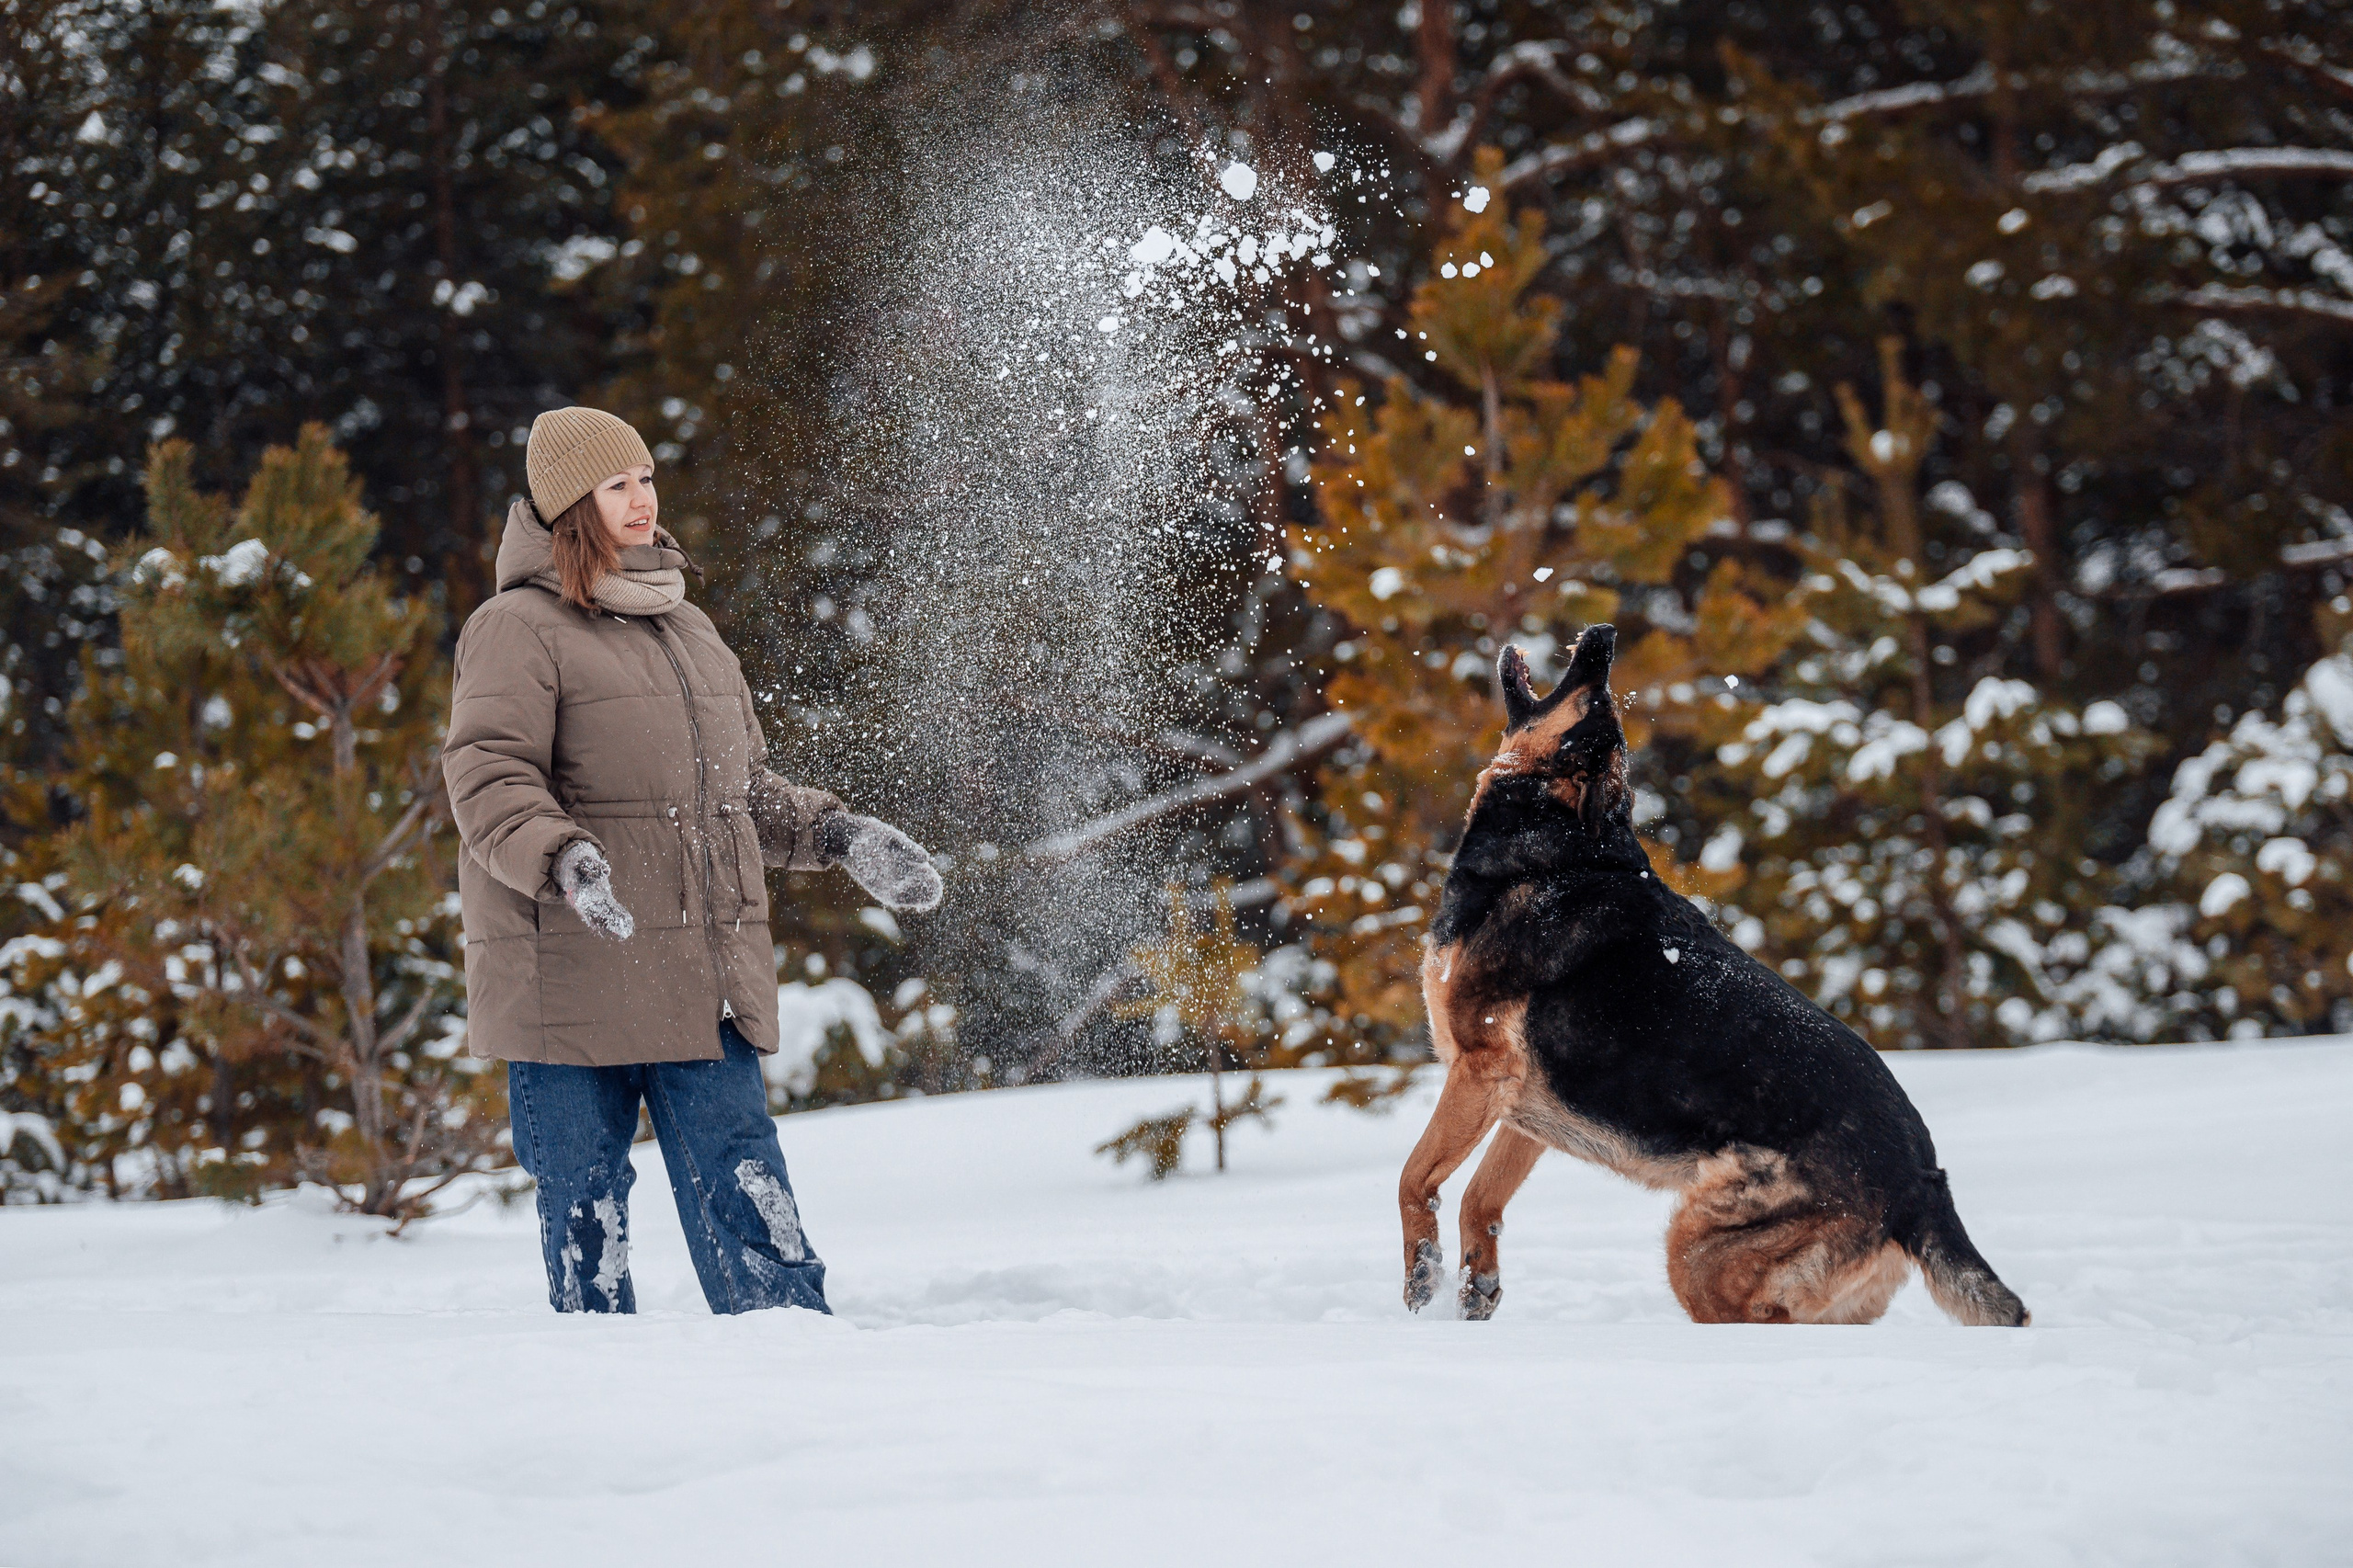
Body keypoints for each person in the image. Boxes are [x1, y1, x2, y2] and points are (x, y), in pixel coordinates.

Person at [443, 405, 942, 1315]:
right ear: (570, 506)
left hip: (696, 973)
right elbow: (488, 774)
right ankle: (598, 1384)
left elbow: (738, 793)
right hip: (569, 973)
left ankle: (794, 1358)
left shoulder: (689, 628)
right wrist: (566, 859)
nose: (642, 498)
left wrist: (839, 834)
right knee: (587, 1215)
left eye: (646, 477)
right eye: (616, 484)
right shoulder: (516, 627)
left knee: (750, 1186)